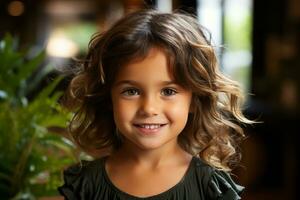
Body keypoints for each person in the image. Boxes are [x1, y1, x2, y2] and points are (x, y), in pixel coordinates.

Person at [58, 9, 252, 200]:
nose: (149, 108)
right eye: (131, 91)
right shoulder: (86, 184)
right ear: (109, 98)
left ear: (194, 99)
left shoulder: (210, 187)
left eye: (168, 91)